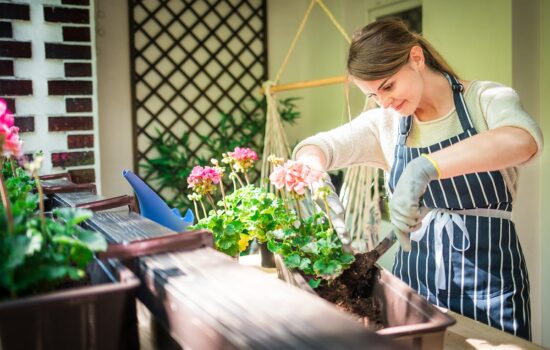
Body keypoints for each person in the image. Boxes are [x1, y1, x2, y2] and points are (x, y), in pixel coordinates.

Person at [293, 18, 542, 340]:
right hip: (414, 287)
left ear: (416, 58)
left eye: (388, 86)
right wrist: (312, 170)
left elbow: (523, 140)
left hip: (489, 285)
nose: (385, 102)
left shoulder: (486, 99)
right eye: (372, 95)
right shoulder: (386, 122)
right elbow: (317, 146)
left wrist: (423, 167)